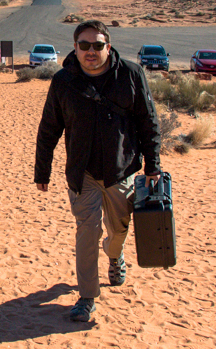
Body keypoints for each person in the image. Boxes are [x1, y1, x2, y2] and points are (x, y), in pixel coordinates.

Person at [34, 20, 161, 322]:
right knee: (86, 232)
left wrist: (153, 164)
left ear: (109, 46)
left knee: (118, 230)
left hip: (122, 169)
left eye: (98, 45)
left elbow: (148, 121)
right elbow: (49, 128)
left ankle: (115, 254)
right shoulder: (63, 81)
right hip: (83, 174)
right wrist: (43, 171)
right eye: (85, 45)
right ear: (75, 47)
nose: (91, 51)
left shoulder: (130, 74)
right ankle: (87, 296)